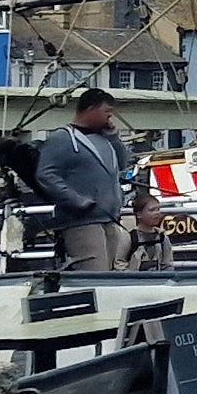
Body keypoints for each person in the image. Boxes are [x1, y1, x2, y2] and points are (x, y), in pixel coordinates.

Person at [36, 90, 132, 272]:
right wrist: (75, 199)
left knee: (112, 274)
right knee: (95, 272)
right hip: (82, 221)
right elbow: (45, 174)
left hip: (109, 218)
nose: (110, 116)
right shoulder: (63, 138)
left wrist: (114, 139)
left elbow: (122, 164)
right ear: (90, 109)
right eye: (106, 111)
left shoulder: (104, 140)